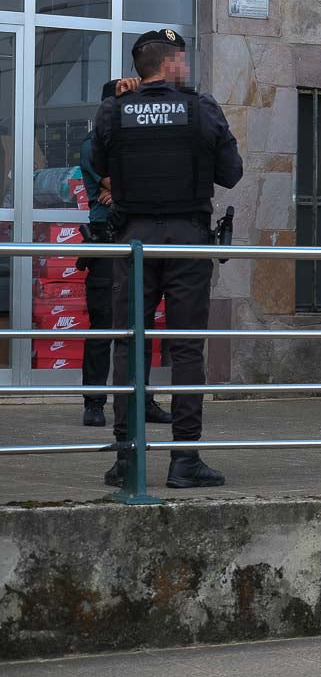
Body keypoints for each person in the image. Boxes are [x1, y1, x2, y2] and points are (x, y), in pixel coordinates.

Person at [94, 29, 244, 489]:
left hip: (134, 238)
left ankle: (126, 459)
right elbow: (231, 174)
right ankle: (185, 459)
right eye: (183, 59)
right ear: (172, 63)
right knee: (185, 348)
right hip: (186, 238)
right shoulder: (201, 108)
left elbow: (100, 164)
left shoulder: (114, 109)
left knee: (130, 343)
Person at [79, 77, 172, 429]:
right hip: (107, 240)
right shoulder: (94, 144)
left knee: (140, 324)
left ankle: (142, 398)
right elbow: (131, 184)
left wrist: (127, 189)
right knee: (104, 324)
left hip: (134, 237)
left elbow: (146, 182)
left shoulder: (131, 143)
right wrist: (125, 189)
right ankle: (94, 402)